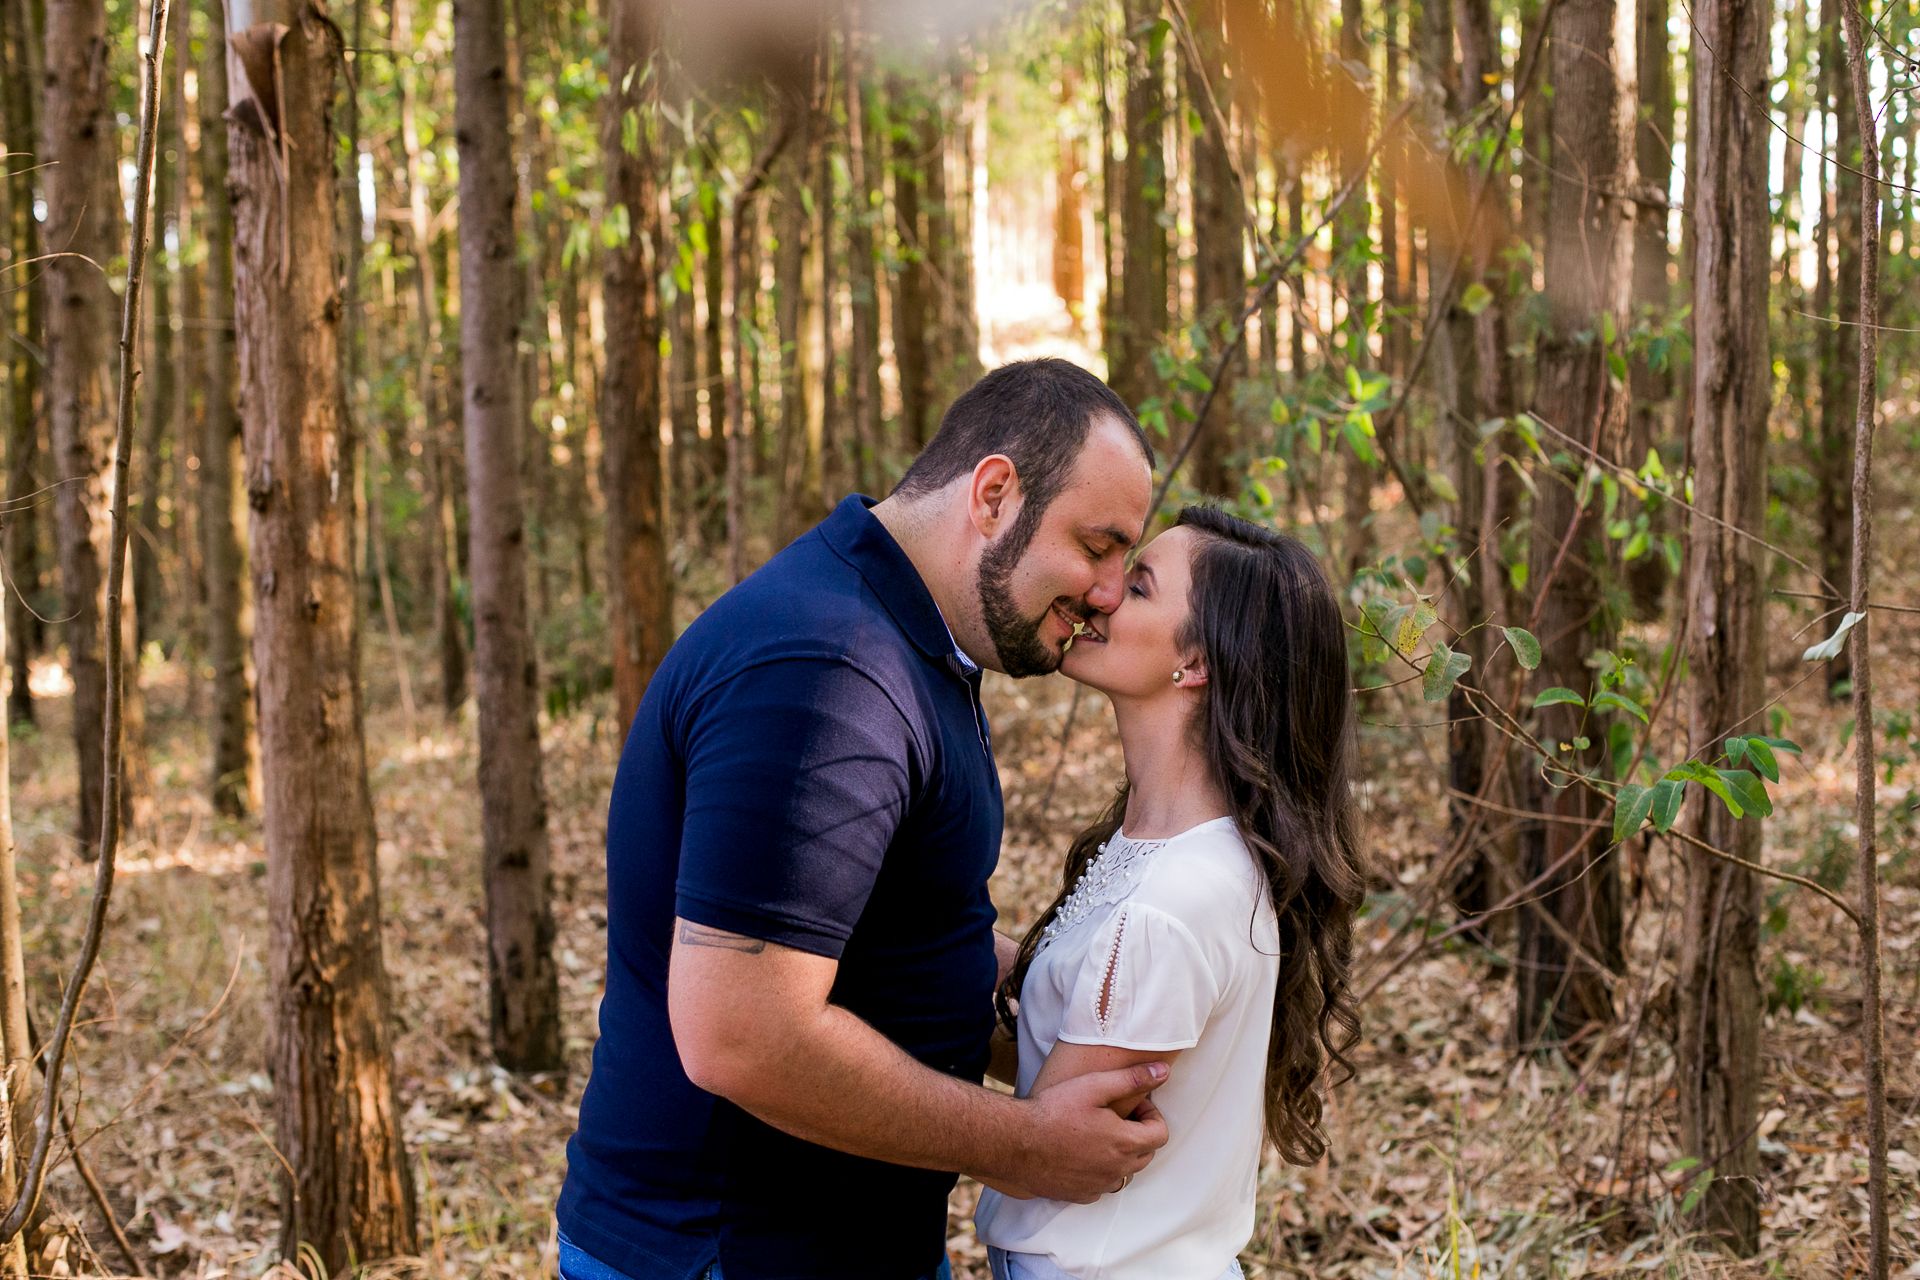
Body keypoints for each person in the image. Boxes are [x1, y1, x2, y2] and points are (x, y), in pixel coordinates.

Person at [557, 359, 1171, 1280]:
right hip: (728, 1255)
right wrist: (1030, 1145)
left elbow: (897, 932)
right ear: (994, 495)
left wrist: (1104, 1011)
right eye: (1097, 545)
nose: (1110, 591)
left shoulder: (905, 638)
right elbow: (742, 1033)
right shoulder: (828, 670)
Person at [975, 506, 1366, 1280]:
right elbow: (1057, 1033)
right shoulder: (1165, 848)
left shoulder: (1176, 901)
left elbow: (1044, 1151)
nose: (1101, 592)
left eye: (1139, 586)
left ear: (1196, 662)